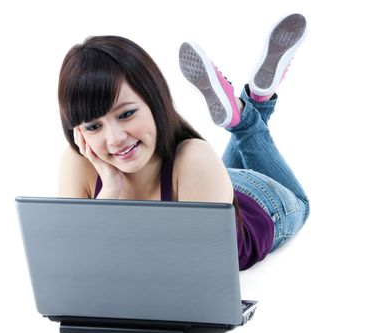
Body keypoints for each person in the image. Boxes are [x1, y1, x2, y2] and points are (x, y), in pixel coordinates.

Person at [58, 13, 310, 270]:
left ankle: (245, 119)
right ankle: (252, 103)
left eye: (126, 114)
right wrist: (110, 189)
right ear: (78, 132)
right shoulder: (78, 163)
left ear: (155, 101)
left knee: (302, 204)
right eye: (93, 126)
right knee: (212, 175)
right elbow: (73, 265)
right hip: (209, 186)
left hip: (262, 202)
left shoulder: (195, 158)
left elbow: (196, 272)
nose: (115, 139)